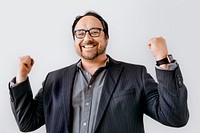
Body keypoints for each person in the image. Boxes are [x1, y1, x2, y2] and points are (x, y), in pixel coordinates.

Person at [8, 11, 189, 133]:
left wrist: (163, 60)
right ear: (74, 40)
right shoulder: (54, 79)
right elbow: (27, 123)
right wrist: (22, 78)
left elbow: (175, 117)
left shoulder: (135, 75)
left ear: (106, 37)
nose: (87, 38)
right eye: (80, 33)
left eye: (94, 31)